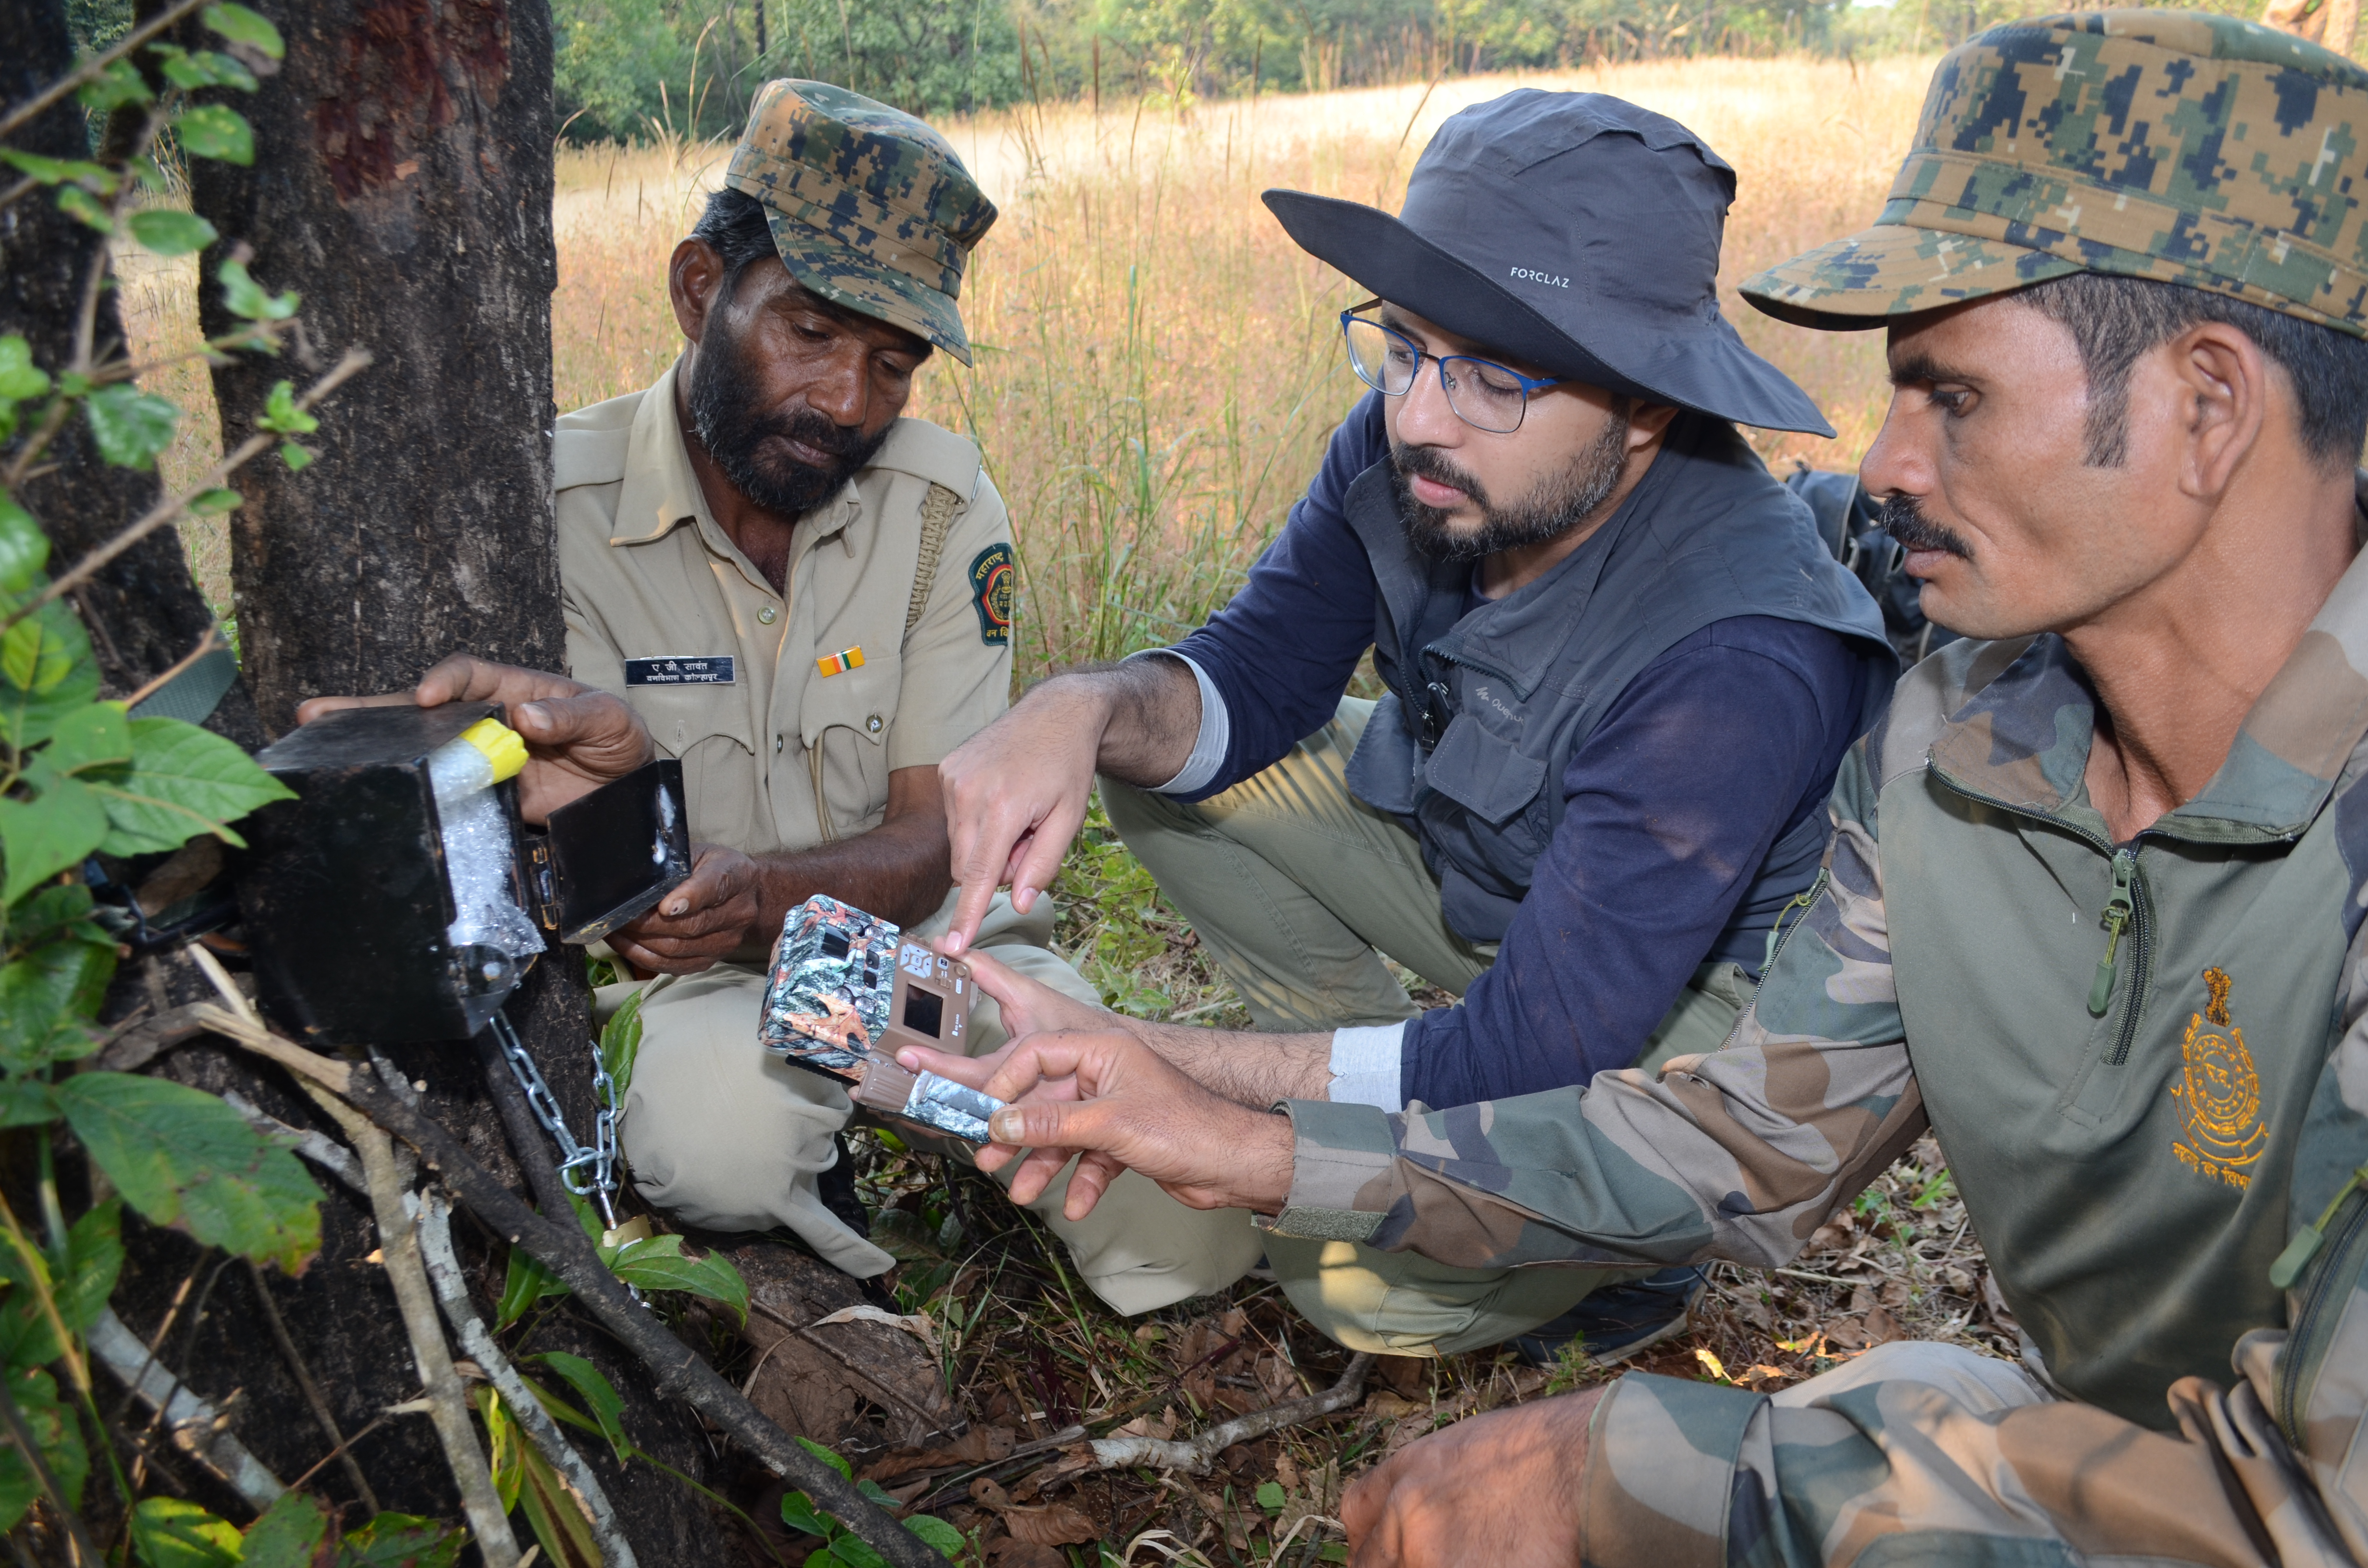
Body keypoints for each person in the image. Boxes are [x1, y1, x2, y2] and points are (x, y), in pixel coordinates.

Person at [909, 12, 2368, 1564]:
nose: (1875, 466)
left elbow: (2315, 1513)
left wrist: (1658, 1465)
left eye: (1949, 398)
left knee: (1888, 1427)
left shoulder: (1762, 652)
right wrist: (1242, 1141)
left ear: (2202, 409)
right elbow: (1742, 1140)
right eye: (1403, 355)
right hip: (2122, 1435)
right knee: (1923, 1410)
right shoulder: (1960, 742)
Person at [933, 90, 1894, 1362]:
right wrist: (1077, 703)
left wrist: (1167, 1071)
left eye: (1496, 376)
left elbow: (1536, 1047)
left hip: (1668, 1001)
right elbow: (1252, 686)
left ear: (1644, 409)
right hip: (1489, 878)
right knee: (1149, 762)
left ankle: (1627, 1248)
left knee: (1372, 1298)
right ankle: (1380, 1100)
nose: (1421, 414)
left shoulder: (1740, 653)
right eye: (1403, 347)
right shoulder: (1425, 454)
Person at [297, 79, 1259, 1313]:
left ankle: (945, 1124)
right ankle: (838, 1243)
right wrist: (678, 882)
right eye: (809, 333)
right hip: (688, 989)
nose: (849, 403)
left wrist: (766, 894)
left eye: (891, 363)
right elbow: (568, 885)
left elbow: (941, 839)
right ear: (702, 287)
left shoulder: (939, 509)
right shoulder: (547, 513)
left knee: (1191, 1242)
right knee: (722, 1144)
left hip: (922, 943)